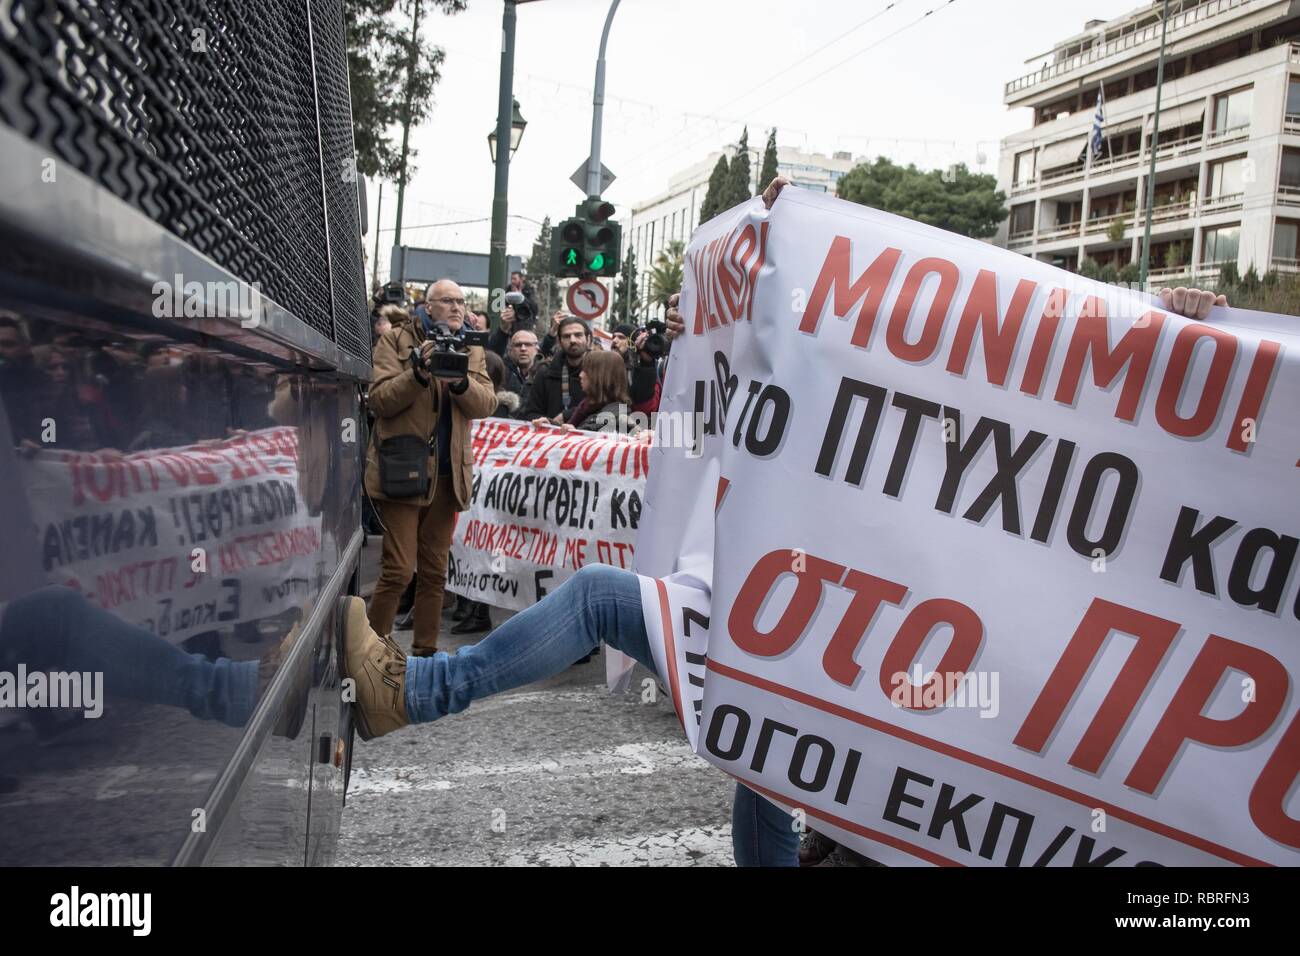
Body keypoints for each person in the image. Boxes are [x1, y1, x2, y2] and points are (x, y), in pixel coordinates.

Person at [365, 278, 496, 656]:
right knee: (399, 569)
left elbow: (485, 404)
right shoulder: (397, 340)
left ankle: (425, 653)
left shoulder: (472, 346)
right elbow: (379, 400)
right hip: (402, 471)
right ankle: (370, 651)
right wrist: (418, 373)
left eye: (460, 301)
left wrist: (459, 385)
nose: (456, 307)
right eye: (447, 301)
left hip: (447, 476)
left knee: (436, 572)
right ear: (427, 305)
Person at [522, 315, 591, 423]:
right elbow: (531, 413)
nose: (572, 340)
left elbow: (607, 409)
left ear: (588, 339)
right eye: (567, 336)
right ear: (559, 341)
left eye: (578, 335)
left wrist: (568, 415)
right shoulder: (545, 373)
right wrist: (547, 423)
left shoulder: (601, 372)